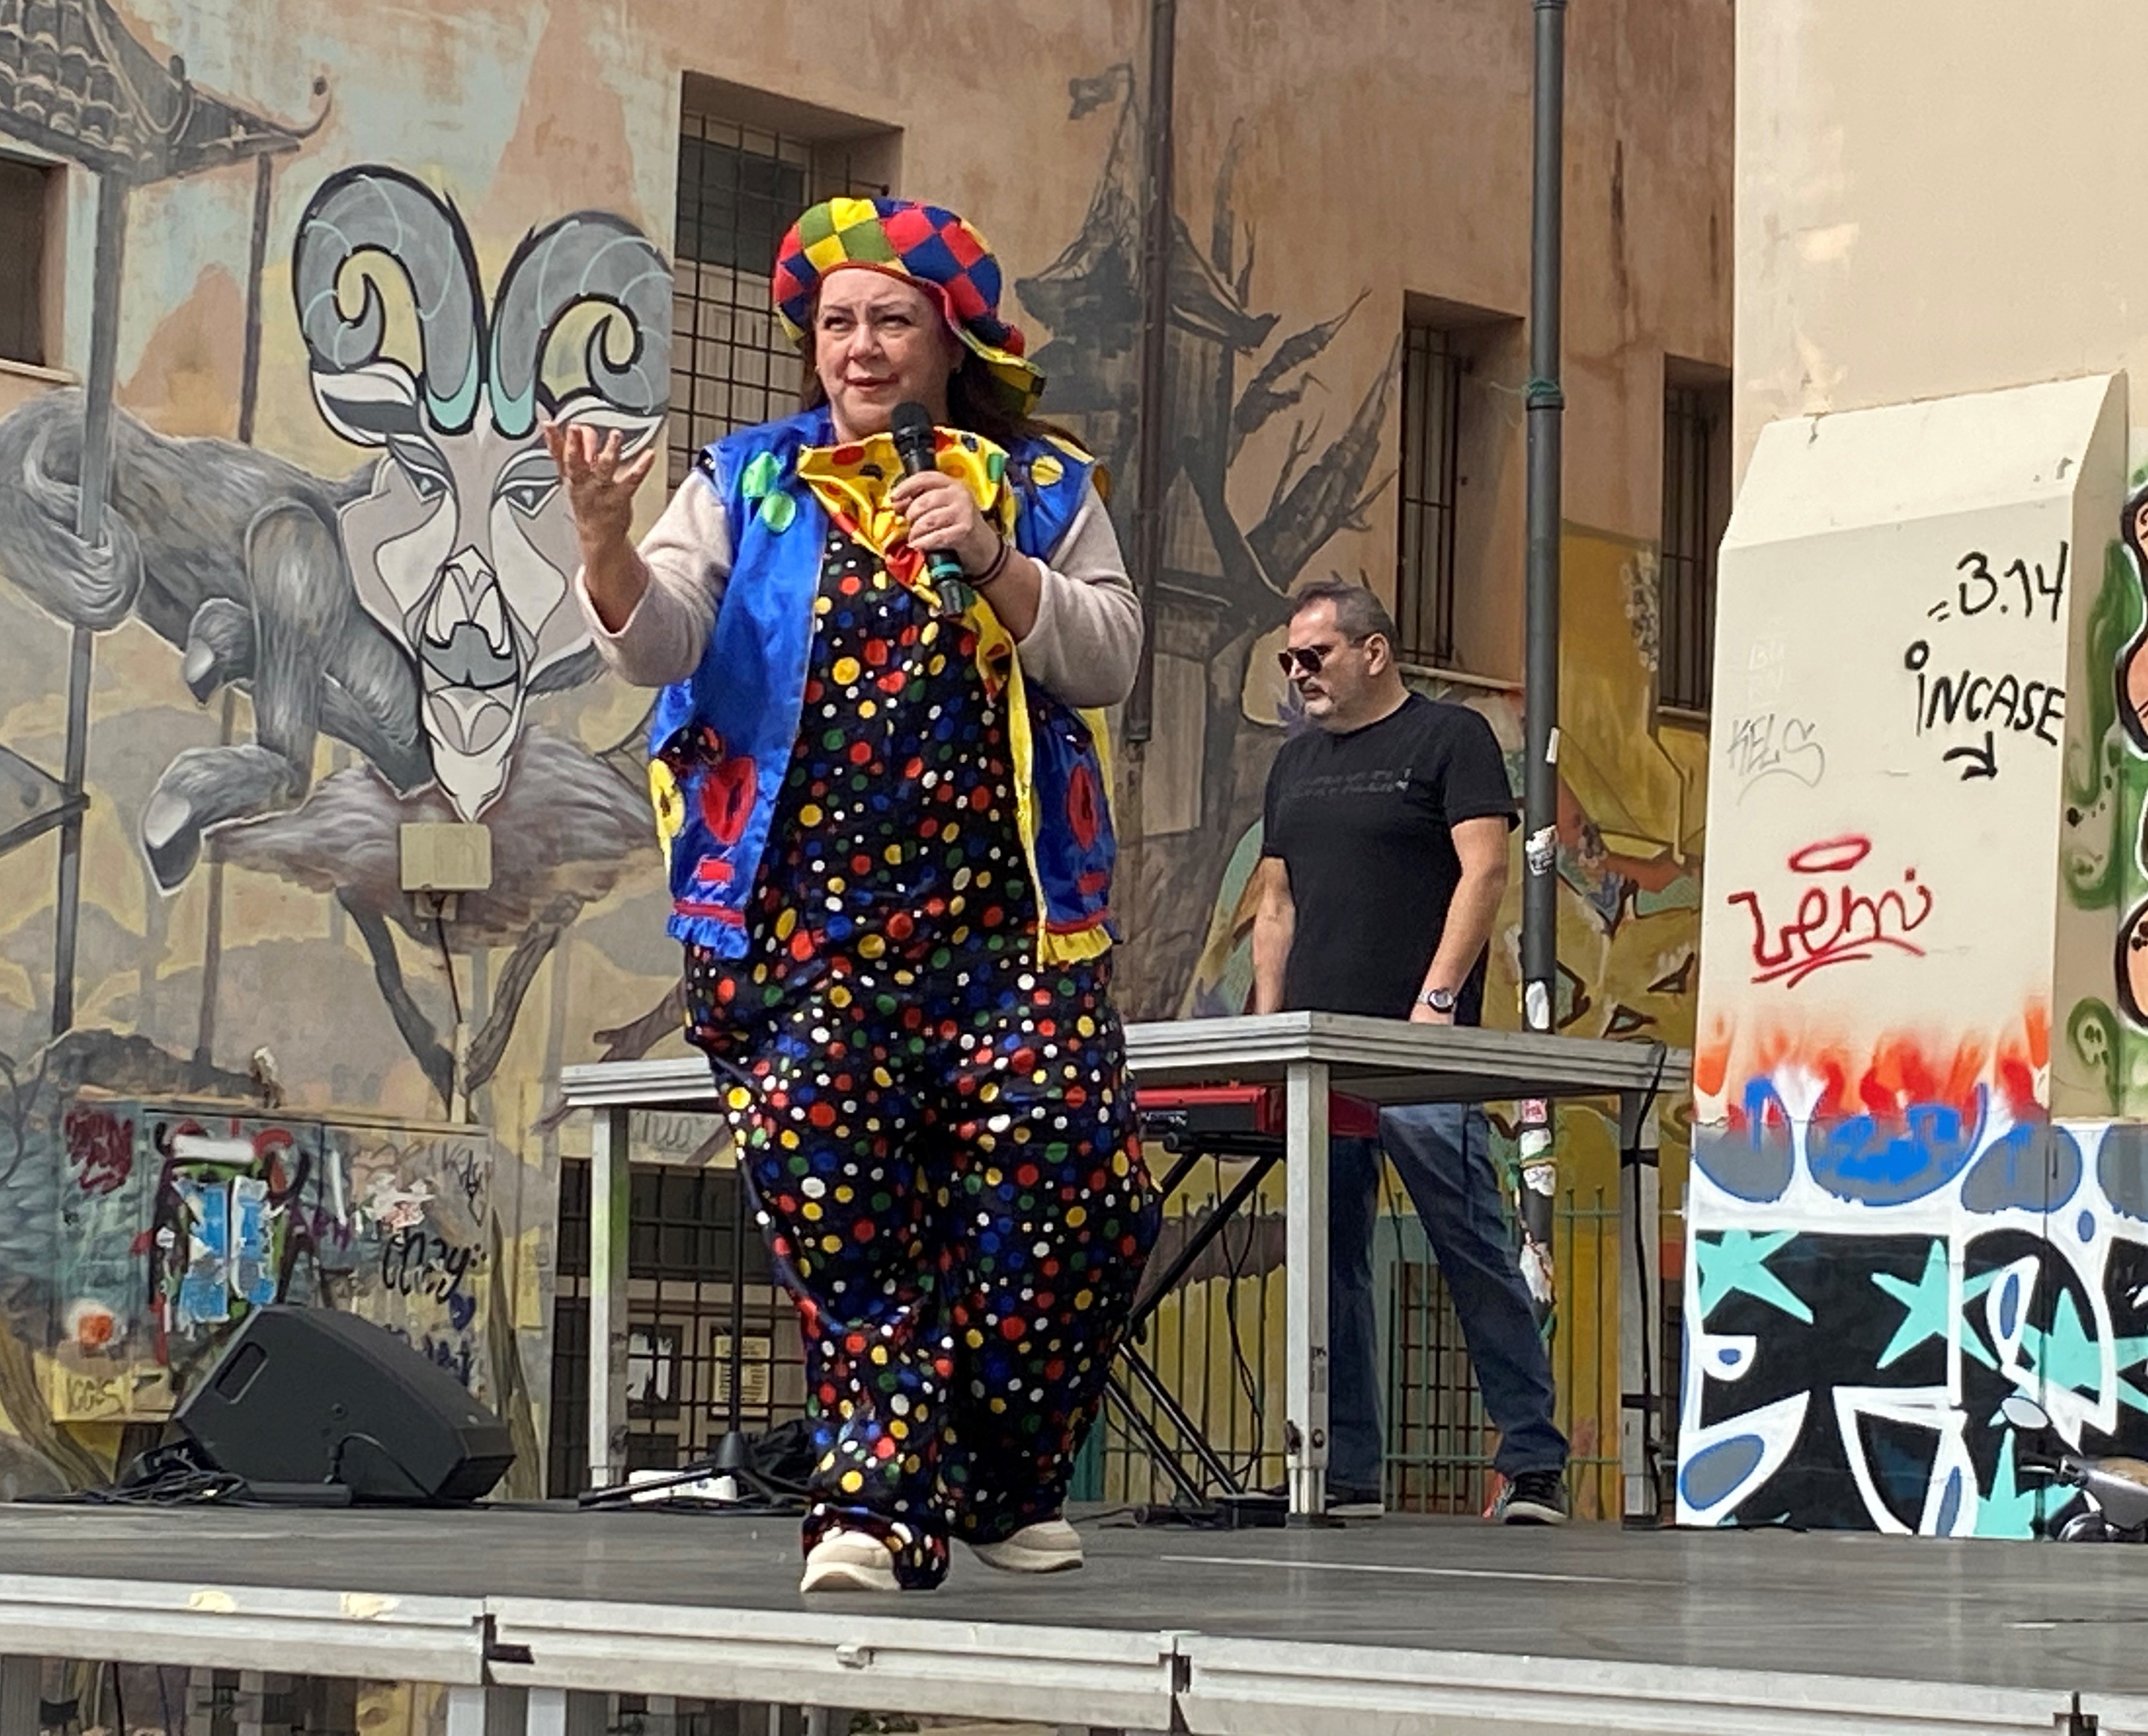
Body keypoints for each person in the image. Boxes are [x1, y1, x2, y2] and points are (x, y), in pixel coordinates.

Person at [554, 196, 1160, 1593]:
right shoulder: (746, 480)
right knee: (849, 1220)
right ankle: (871, 1513)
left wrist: (993, 554)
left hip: (1009, 931)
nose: (861, 347)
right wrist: (605, 545)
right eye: (838, 323)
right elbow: (663, 640)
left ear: (951, 342)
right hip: (802, 928)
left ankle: (996, 1480)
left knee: (1083, 1196)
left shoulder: (1044, 487)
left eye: (891, 320)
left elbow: (1110, 658)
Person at [1249, 581, 1570, 1525]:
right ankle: (1346, 1468)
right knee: (1329, 1263)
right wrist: (1266, 1026)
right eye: (1289, 661)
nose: (1299, 674)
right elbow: (1277, 903)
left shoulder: (1450, 738)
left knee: (1470, 1246)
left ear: (1375, 651)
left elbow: (1487, 868)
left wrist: (1436, 1000)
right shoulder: (1294, 763)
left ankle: (1533, 1460)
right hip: (1318, 1058)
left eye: (1315, 656)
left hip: (1415, 1051)